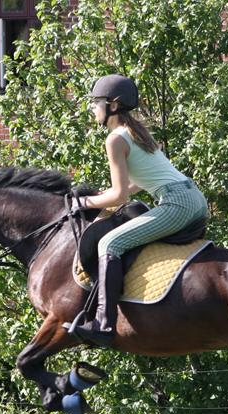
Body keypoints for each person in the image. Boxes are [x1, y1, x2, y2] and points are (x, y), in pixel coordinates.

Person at [72, 74, 209, 347]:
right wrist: (103, 196)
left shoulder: (114, 140)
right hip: (194, 198)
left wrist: (84, 203)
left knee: (110, 243)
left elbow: (119, 194)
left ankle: (103, 324)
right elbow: (136, 183)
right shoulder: (136, 131)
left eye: (95, 102)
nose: (92, 108)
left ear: (112, 105)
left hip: (177, 203)